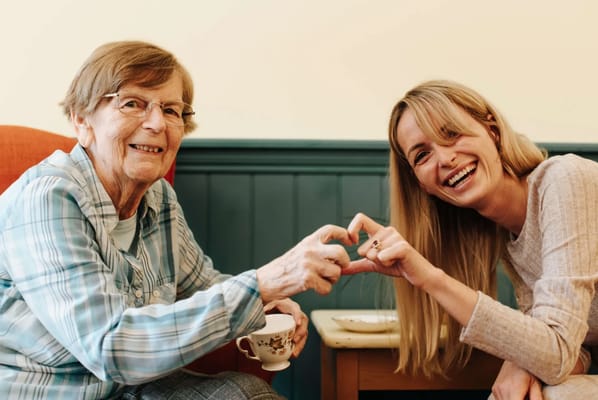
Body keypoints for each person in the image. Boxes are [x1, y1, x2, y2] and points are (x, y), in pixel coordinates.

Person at [0, 40, 353, 399]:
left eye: (171, 110)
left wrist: (266, 305)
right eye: (133, 103)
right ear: (82, 120)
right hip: (56, 391)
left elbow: (202, 283)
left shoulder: (158, 196)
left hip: (136, 388)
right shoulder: (48, 199)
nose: (157, 123)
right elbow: (111, 348)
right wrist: (262, 284)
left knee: (248, 394)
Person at [343, 80, 598, 399]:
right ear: (421, 183)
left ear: (492, 130)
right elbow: (576, 347)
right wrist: (524, 360)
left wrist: (429, 277)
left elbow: (558, 351)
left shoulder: (565, 179)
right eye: (422, 155)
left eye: (451, 134)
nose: (445, 158)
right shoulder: (511, 238)